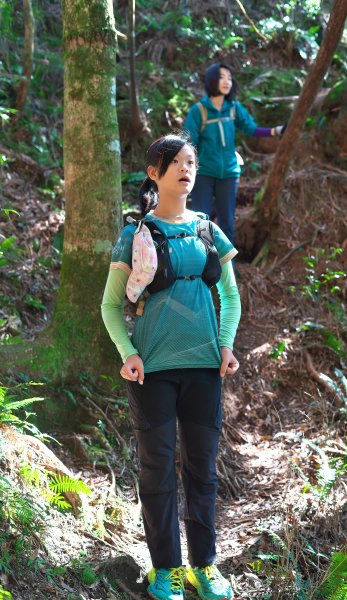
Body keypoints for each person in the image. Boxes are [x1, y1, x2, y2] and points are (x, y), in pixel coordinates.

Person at [101, 132, 241, 600]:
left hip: (204, 369)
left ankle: (204, 565)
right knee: (157, 468)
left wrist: (225, 344)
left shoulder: (208, 229)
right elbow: (109, 305)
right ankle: (166, 571)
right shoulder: (134, 235)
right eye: (177, 162)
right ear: (154, 173)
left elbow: (230, 296)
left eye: (192, 162)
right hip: (152, 372)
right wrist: (128, 353)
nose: (187, 168)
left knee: (202, 469)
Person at [184, 62, 285, 243]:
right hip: (204, 172)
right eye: (222, 77)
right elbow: (189, 144)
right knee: (200, 221)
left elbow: (251, 129)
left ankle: (227, 268)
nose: (227, 82)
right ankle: (201, 264)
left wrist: (275, 131)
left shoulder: (233, 108)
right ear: (212, 80)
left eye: (230, 78)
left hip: (229, 173)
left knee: (227, 223)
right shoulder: (198, 111)